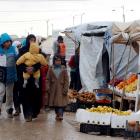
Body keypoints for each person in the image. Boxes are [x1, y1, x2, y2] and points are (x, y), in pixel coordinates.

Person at [18, 34, 43, 122]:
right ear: (27, 40)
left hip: (35, 77)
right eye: (30, 40)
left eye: (34, 40)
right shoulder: (22, 50)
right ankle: (27, 114)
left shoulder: (38, 50)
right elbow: (19, 62)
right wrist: (26, 69)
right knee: (25, 96)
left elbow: (41, 62)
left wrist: (34, 68)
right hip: (25, 77)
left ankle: (33, 112)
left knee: (35, 95)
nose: (32, 42)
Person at [46, 55, 69, 121]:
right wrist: (48, 87)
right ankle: (58, 114)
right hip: (53, 89)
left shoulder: (63, 69)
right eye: (56, 61)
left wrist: (65, 88)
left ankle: (61, 114)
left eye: (59, 61)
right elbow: (48, 79)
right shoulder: (51, 69)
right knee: (55, 103)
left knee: (61, 104)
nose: (58, 62)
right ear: (54, 61)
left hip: (61, 88)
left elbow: (66, 80)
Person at [0, 33, 17, 118]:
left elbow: (18, 59)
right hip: (1, 76)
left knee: (10, 94)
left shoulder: (13, 49)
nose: (8, 43)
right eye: (6, 42)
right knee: (1, 92)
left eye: (9, 41)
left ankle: (9, 109)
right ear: (2, 43)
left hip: (11, 75)